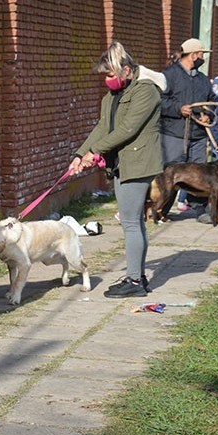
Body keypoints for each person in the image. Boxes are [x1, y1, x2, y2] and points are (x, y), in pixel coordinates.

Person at [69, 42, 163, 298]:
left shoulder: (146, 91)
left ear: (127, 69)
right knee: (133, 224)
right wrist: (80, 154)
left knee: (131, 224)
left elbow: (127, 129)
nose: (107, 80)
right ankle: (137, 276)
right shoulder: (111, 96)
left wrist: (94, 152)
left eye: (110, 74)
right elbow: (102, 127)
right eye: (105, 76)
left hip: (138, 162)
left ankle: (133, 281)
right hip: (121, 163)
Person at [160, 38, 217, 223]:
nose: (203, 58)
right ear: (194, 55)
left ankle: (200, 210)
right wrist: (178, 109)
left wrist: (208, 114)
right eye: (202, 55)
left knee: (200, 173)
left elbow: (212, 100)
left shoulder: (202, 79)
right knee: (170, 172)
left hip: (198, 135)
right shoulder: (168, 75)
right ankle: (161, 209)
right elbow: (158, 101)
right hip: (173, 133)